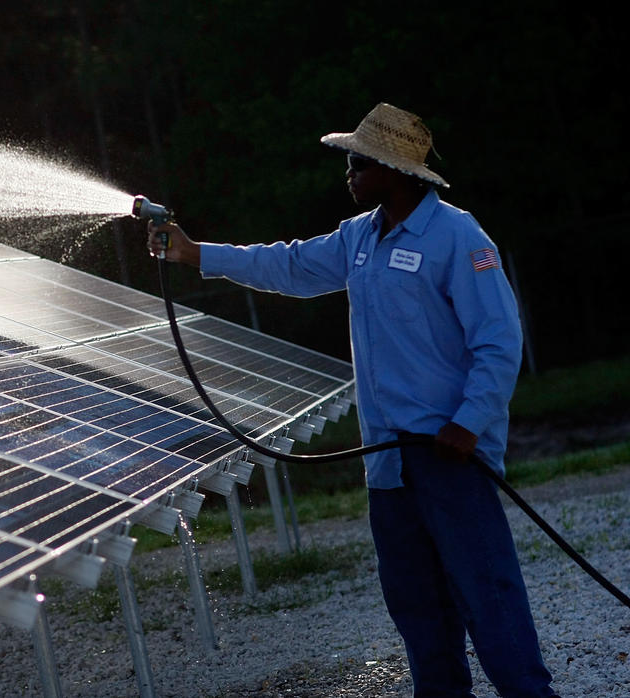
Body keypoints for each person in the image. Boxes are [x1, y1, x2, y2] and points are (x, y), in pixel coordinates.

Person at [148, 103, 558, 697]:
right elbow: (286, 264)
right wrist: (194, 253)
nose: (348, 170)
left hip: (448, 456)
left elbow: (499, 342)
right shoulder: (359, 237)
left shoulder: (457, 236)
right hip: (387, 462)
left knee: (487, 596)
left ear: (396, 170)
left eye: (358, 160)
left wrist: (468, 424)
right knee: (417, 609)